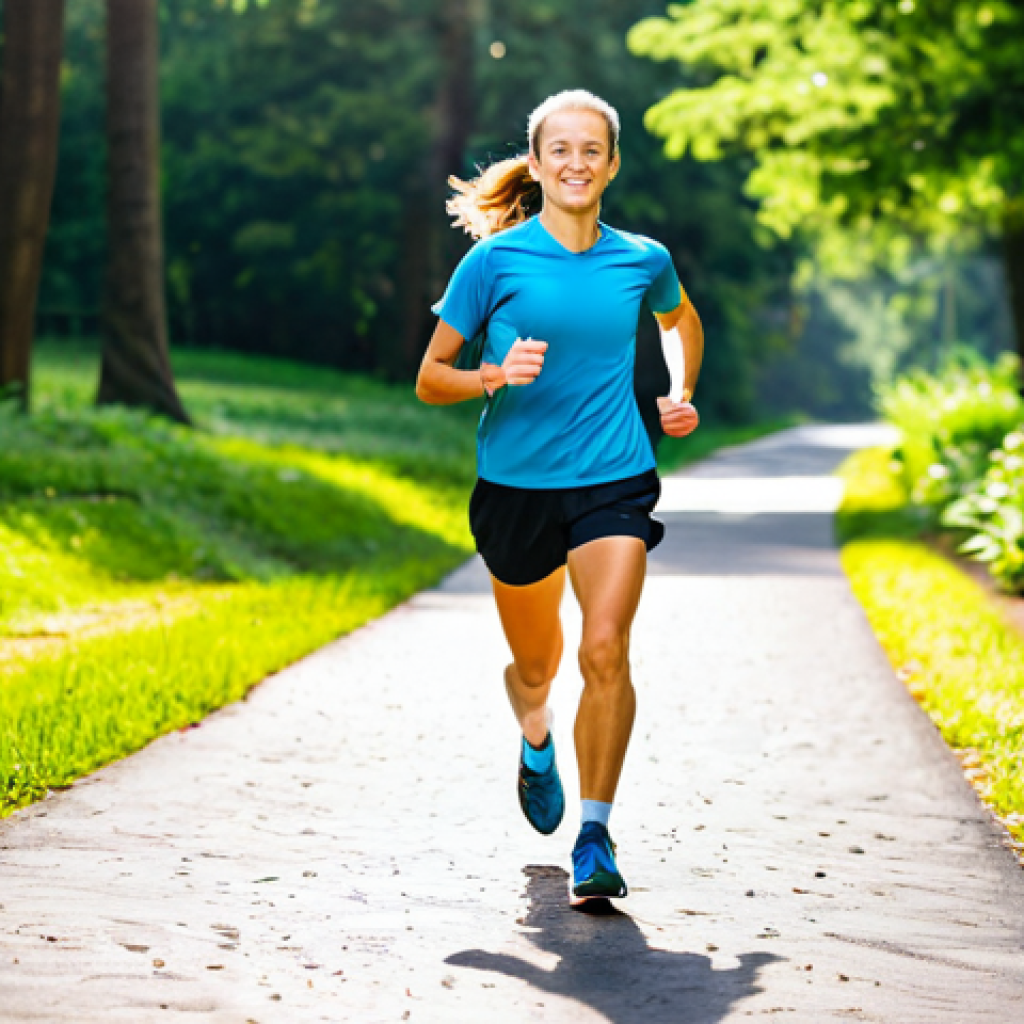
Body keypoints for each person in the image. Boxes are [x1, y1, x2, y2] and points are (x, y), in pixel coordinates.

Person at [416, 89, 703, 905]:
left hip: (613, 476)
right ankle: (534, 732)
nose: (576, 163)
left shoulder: (642, 260)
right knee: (537, 667)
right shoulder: (494, 264)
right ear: (537, 164)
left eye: (592, 149)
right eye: (560, 150)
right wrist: (490, 375)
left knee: (604, 649)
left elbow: (682, 323)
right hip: (515, 491)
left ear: (611, 164)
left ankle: (595, 833)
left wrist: (681, 391)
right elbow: (429, 377)